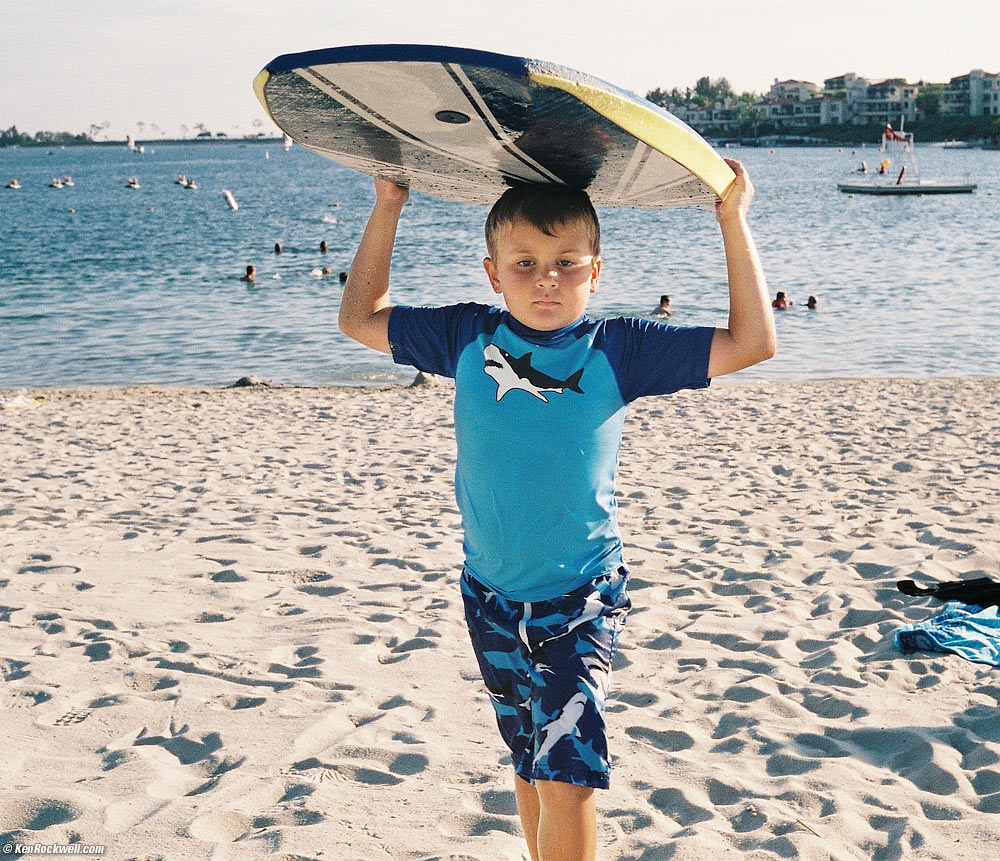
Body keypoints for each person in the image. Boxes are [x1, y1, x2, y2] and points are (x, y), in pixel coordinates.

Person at [338, 160, 775, 861]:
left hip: (581, 596)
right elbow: (359, 317)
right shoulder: (467, 338)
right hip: (488, 595)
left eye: (567, 263)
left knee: (567, 774)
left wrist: (732, 217)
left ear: (595, 272)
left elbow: (753, 342)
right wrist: (389, 203)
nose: (547, 278)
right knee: (530, 762)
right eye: (526, 263)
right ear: (493, 272)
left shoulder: (619, 349)